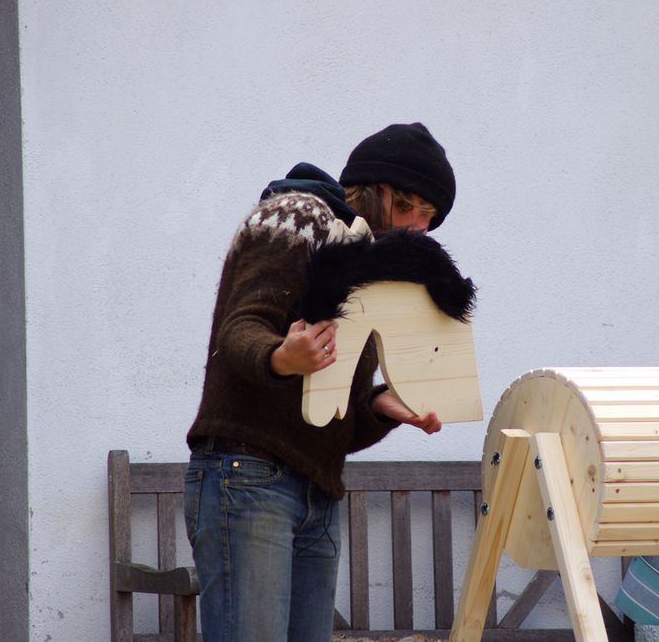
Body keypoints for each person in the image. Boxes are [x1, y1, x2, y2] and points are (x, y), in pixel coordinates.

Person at [184, 123, 457, 642]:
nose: (417, 229)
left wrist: (381, 407)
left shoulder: (374, 270)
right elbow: (239, 329)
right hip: (247, 475)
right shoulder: (297, 215)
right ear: (375, 191)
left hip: (318, 493)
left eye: (429, 219)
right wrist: (282, 357)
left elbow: (339, 420)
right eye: (408, 208)